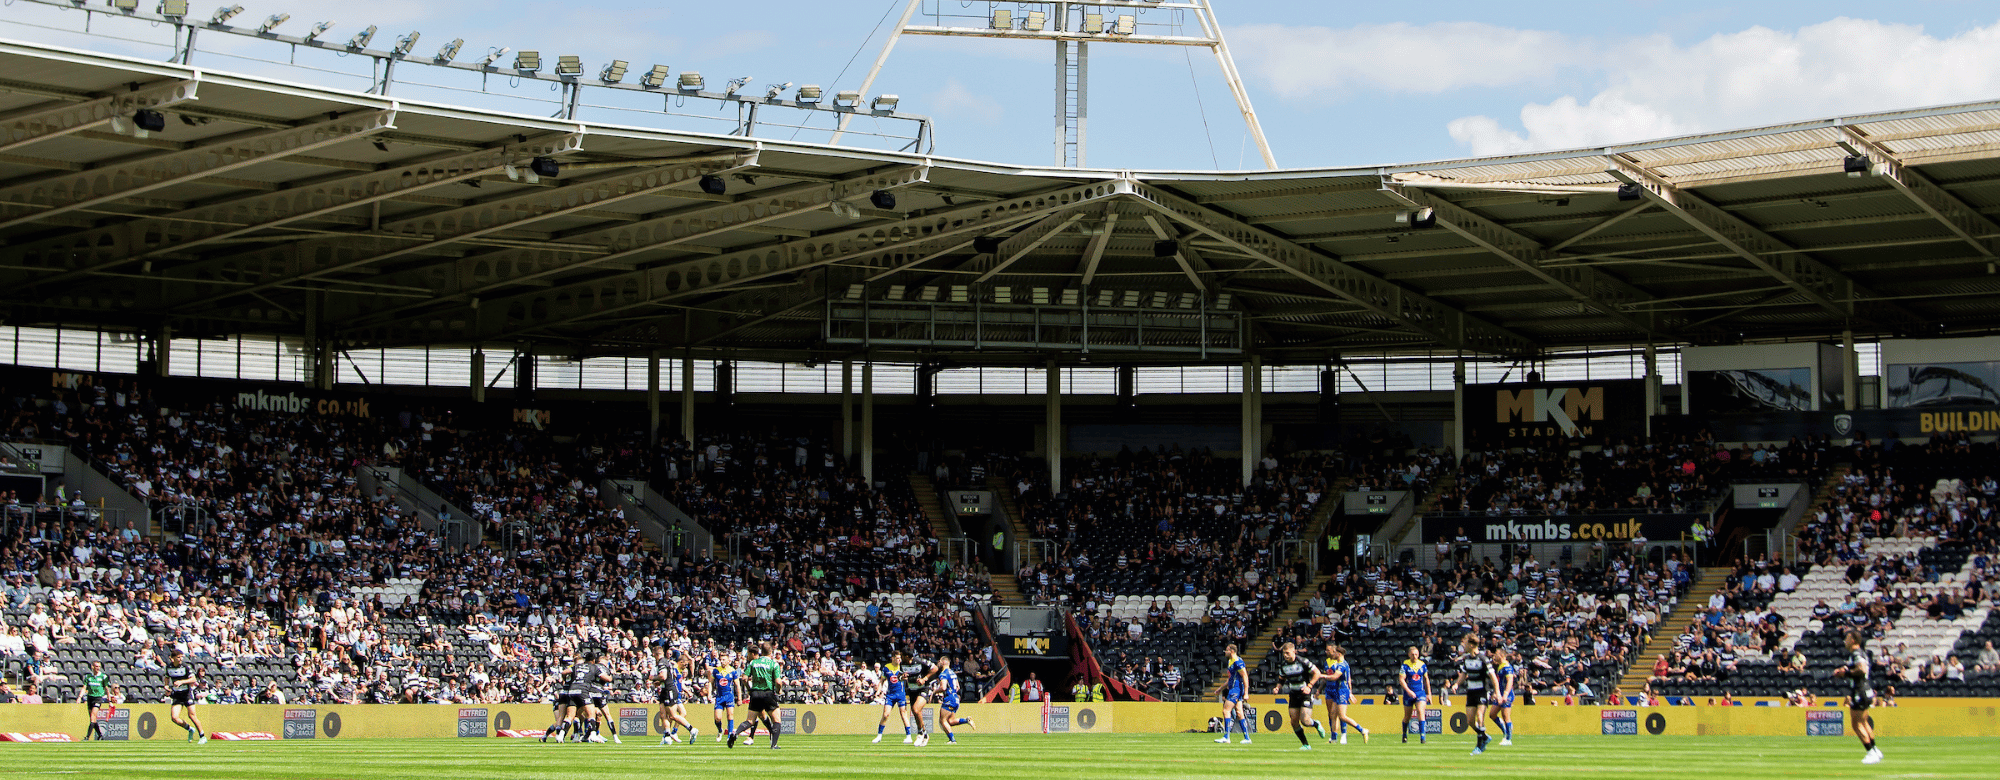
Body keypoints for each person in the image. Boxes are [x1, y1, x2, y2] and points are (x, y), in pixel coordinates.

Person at [727, 643, 783, 750]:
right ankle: (773, 745)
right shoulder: (774, 664)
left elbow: (744, 678)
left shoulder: (753, 662)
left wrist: (749, 689)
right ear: (771, 652)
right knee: (776, 720)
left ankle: (736, 733)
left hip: (755, 694)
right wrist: (778, 690)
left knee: (750, 721)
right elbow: (778, 682)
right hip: (768, 693)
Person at [1271, 642, 1324, 750]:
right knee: (1294, 722)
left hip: (1305, 694)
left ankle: (1316, 724)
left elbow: (1317, 673)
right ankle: (1306, 744)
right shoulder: (1283, 665)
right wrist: (1277, 687)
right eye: (1284, 653)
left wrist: (1309, 686)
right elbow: (1281, 679)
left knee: (1305, 721)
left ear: (1294, 651)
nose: (1285, 655)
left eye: (1287, 653)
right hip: (1293, 694)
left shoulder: (1302, 661)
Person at [1842, 634, 1883, 765]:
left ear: (1853, 640)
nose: (1845, 641)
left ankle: (1871, 752)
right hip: (1866, 689)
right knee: (1864, 722)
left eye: (1847, 638)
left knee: (1856, 723)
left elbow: (1862, 669)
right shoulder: (1862, 653)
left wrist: (1846, 673)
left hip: (1859, 690)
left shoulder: (1856, 653)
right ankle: (1875, 750)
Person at [1452, 635, 1497, 755]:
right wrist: (1456, 684)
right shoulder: (1466, 659)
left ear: (1471, 645)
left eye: (1465, 643)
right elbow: (1463, 674)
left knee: (1480, 716)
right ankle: (1485, 736)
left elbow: (1493, 677)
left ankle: (1479, 746)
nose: (1464, 645)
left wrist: (1497, 692)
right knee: (1470, 721)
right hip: (1471, 692)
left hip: (1482, 691)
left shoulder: (1483, 659)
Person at [1320, 643, 1367, 744]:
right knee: (1332, 714)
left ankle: (1362, 730)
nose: (1333, 654)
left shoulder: (1342, 665)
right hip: (1338, 690)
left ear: (1339, 653)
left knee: (1342, 716)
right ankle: (1333, 739)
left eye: (1335, 652)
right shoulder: (1340, 663)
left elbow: (1334, 677)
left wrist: (1321, 676)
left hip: (1342, 691)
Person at [929, 656, 976, 744]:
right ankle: (966, 720)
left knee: (943, 721)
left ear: (943, 662)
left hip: (949, 698)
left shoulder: (943, 674)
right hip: (956, 699)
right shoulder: (953, 673)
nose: (938, 663)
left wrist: (934, 692)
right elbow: (957, 687)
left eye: (939, 661)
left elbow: (943, 687)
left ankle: (952, 740)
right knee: (950, 721)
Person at [164, 649, 206, 744]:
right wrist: (166, 686)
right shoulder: (169, 667)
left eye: (181, 657)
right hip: (177, 695)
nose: (180, 659)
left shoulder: (185, 667)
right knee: (174, 717)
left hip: (187, 694)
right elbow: (167, 677)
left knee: (192, 716)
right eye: (178, 657)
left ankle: (202, 736)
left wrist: (182, 681)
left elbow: (193, 679)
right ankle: (190, 729)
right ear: (173, 658)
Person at [655, 653, 697, 745]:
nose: (685, 667)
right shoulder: (674, 667)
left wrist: (687, 691)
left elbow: (679, 683)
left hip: (673, 693)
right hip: (671, 692)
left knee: (674, 715)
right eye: (685, 664)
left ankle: (672, 733)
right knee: (668, 715)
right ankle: (669, 734)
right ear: (680, 662)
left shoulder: (678, 670)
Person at [1215, 643, 1252, 745]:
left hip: (1235, 690)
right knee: (1239, 713)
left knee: (1226, 710)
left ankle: (1226, 737)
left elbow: (1245, 676)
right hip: (1234, 688)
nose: (1225, 652)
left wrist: (1246, 693)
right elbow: (1230, 679)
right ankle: (1247, 738)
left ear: (1231, 651)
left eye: (1226, 650)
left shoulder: (1237, 662)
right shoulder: (1231, 662)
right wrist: (1220, 688)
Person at [874, 651, 913, 744]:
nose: (900, 660)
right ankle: (879, 736)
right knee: (885, 715)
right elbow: (882, 680)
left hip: (901, 694)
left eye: (900, 658)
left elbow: (907, 679)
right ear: (893, 658)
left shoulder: (903, 667)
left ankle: (909, 736)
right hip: (890, 695)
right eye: (898, 658)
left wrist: (905, 678)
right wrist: (878, 691)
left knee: (903, 714)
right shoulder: (887, 667)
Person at [1399, 645, 1430, 744]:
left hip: (1420, 692)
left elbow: (1426, 679)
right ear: (1409, 655)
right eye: (1412, 654)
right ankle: (1404, 734)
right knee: (1407, 716)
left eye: (1416, 654)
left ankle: (1422, 737)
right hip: (1409, 693)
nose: (1415, 656)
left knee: (1420, 711)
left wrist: (1429, 693)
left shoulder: (1422, 665)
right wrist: (1408, 691)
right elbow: (1401, 680)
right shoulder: (1405, 665)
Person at [1488, 647, 1516, 746]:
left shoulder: (1507, 667)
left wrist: (1505, 694)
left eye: (1496, 654)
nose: (1494, 656)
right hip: (1500, 694)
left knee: (1506, 716)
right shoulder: (1500, 666)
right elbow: (1499, 682)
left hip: (1506, 695)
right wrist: (1496, 693)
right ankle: (1505, 730)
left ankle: (1508, 739)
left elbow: (1510, 681)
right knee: (1492, 714)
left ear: (1502, 655)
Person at [711, 654, 740, 743]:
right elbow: (710, 682)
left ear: (728, 661)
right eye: (721, 659)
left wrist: (739, 698)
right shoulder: (716, 671)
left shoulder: (733, 671)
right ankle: (720, 730)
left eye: (724, 659)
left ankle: (730, 735)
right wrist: (709, 694)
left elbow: (737, 685)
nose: (722, 661)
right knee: (717, 718)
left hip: (729, 696)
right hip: (719, 697)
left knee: (730, 715)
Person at [78, 661, 110, 741]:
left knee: (93, 716)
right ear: (92, 667)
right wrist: (79, 697)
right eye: (96, 666)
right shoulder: (88, 677)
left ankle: (87, 737)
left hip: (98, 698)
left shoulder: (103, 676)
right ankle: (100, 735)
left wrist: (109, 700)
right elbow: (84, 688)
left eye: (99, 666)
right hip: (90, 698)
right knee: (93, 718)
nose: (98, 668)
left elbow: (106, 689)